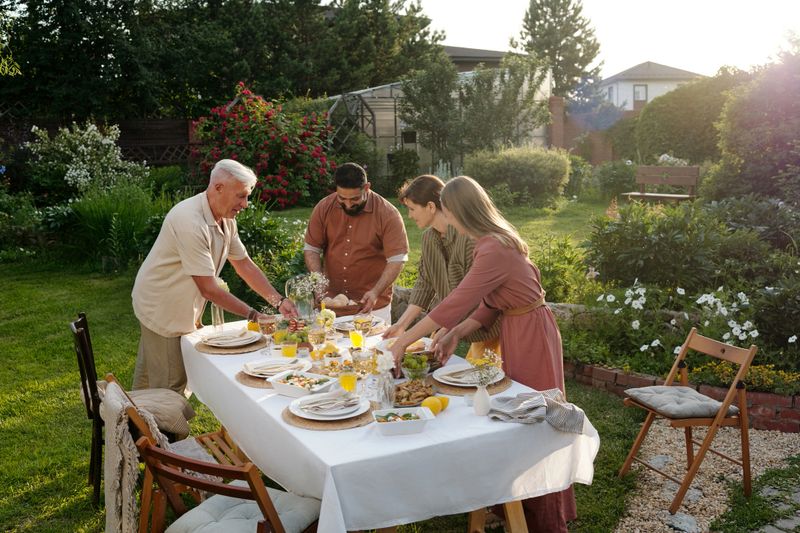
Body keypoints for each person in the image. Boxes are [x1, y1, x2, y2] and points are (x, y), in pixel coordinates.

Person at [388, 175, 576, 532]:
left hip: (531, 335)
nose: (449, 219)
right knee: (512, 418)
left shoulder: (493, 247)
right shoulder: (488, 243)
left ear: (461, 210)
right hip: (515, 329)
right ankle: (511, 505)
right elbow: (489, 302)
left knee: (537, 420)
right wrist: (455, 333)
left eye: (449, 211)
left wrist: (401, 341)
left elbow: (456, 301)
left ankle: (545, 517)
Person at [132, 159, 297, 394]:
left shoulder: (226, 219)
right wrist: (254, 315)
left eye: (247, 196)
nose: (246, 204)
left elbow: (244, 266)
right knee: (170, 387)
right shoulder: (189, 220)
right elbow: (208, 289)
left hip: (178, 304)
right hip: (163, 307)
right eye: (241, 196)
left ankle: (129, 427)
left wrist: (278, 301)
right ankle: (163, 431)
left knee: (149, 382)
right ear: (218, 187)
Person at [383, 175, 501, 358]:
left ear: (431, 207)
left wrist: (447, 327)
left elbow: (473, 296)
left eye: (412, 209)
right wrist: (402, 325)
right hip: (453, 322)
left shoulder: (469, 238)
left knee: (488, 381)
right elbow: (425, 283)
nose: (410, 215)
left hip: (490, 329)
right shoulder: (429, 238)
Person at [304, 162, 408, 323]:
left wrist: (375, 292)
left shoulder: (388, 214)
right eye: (342, 198)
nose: (348, 204)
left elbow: (397, 259)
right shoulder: (324, 207)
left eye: (354, 199)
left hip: (373, 308)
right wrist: (319, 285)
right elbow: (311, 249)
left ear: (367, 187)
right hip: (330, 306)